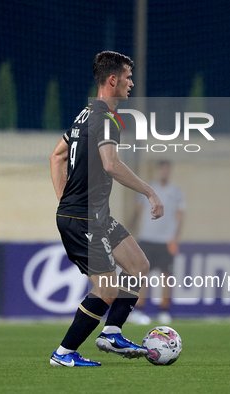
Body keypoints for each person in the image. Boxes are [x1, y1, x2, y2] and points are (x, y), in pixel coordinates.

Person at [49, 51, 164, 367]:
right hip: (84, 217)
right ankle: (64, 353)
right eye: (127, 77)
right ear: (112, 80)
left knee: (138, 266)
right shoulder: (106, 118)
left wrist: (64, 199)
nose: (131, 83)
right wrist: (150, 192)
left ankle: (111, 332)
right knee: (108, 287)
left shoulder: (84, 115)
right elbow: (111, 164)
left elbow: (56, 157)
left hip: (92, 214)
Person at [128, 160, 186, 325]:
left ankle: (164, 310)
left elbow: (180, 214)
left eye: (167, 169)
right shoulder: (147, 190)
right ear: (157, 171)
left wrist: (176, 236)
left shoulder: (176, 192)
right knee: (142, 275)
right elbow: (137, 210)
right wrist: (131, 230)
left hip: (165, 240)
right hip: (147, 238)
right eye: (162, 169)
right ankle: (139, 310)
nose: (164, 172)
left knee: (165, 276)